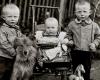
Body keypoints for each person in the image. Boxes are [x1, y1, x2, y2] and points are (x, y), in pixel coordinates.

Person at [66, 0, 100, 80]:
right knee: (75, 69)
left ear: (90, 12)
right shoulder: (72, 24)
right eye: (79, 12)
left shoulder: (94, 26)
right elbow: (68, 34)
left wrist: (95, 44)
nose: (82, 14)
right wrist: (70, 40)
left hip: (87, 52)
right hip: (75, 51)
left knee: (86, 70)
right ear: (75, 12)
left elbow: (98, 36)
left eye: (84, 11)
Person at [0, 4, 23, 80]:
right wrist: (13, 52)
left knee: (10, 74)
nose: (13, 19)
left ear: (18, 17)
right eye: (9, 17)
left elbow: (20, 40)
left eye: (15, 17)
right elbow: (3, 43)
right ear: (3, 17)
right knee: (2, 73)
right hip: (3, 57)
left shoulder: (17, 29)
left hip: (12, 57)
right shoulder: (2, 29)